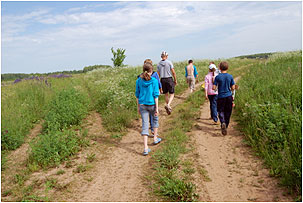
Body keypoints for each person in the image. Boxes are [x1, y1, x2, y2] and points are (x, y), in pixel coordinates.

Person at [135, 63, 161, 156]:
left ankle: (145, 147)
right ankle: (155, 138)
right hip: (152, 104)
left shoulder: (139, 81)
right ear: (151, 71)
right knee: (155, 120)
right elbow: (156, 95)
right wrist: (157, 108)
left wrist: (138, 107)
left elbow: (137, 95)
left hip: (142, 105)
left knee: (145, 124)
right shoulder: (154, 81)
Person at [212, 61, 235, 135]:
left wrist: (215, 85)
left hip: (220, 97)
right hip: (228, 96)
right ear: (227, 68)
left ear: (219, 68)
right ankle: (226, 125)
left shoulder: (217, 77)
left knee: (221, 111)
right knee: (228, 111)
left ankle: (222, 122)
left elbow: (214, 88)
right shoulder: (230, 76)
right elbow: (233, 87)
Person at [144, 59, 162, 136]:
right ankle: (153, 130)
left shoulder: (141, 75)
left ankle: (149, 129)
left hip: (145, 98)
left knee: (147, 114)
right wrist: (160, 89)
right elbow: (158, 83)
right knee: (153, 113)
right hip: (153, 97)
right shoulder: (154, 74)